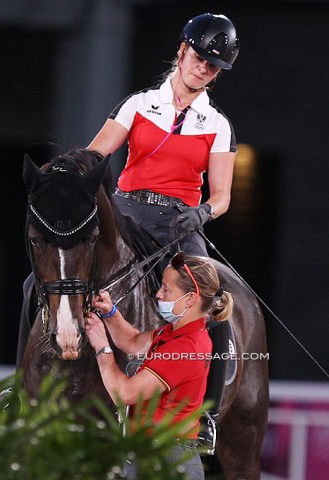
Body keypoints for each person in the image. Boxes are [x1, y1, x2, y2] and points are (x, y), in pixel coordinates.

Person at [87, 13, 240, 454]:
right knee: (42, 280)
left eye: (213, 67)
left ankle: (205, 414)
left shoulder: (218, 125)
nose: (203, 69)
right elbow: (97, 154)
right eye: (198, 58)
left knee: (215, 304)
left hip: (178, 224)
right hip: (126, 211)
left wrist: (202, 213)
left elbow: (224, 195)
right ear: (182, 51)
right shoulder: (137, 105)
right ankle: (22, 390)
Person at [85, 252, 233, 480]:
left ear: (191, 299)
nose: (158, 294)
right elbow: (133, 342)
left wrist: (101, 347)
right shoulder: (176, 332)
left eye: (166, 289)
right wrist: (111, 313)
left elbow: (123, 393)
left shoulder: (185, 348)